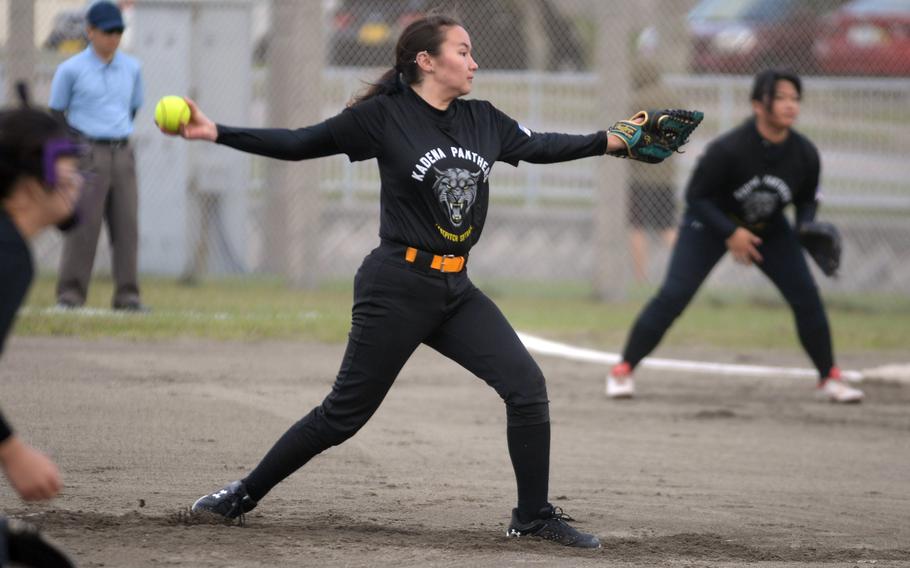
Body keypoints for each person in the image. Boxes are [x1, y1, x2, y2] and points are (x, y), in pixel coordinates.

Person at [168, 15, 675, 548]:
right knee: (343, 416)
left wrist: (612, 141)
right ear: (425, 61)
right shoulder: (384, 118)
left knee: (526, 388)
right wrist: (216, 132)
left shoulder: (483, 119)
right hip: (396, 286)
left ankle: (532, 516)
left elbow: (544, 145)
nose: (474, 61)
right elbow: (300, 142)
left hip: (456, 290)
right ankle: (241, 495)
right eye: (462, 51)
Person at [605, 69, 864, 404]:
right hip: (709, 226)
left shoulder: (804, 154)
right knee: (674, 296)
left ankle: (830, 376)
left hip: (768, 229)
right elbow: (696, 197)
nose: (790, 105)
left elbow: (806, 199)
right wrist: (731, 233)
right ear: (759, 104)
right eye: (781, 98)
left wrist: (806, 226)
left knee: (806, 297)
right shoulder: (728, 150)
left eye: (795, 98)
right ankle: (623, 369)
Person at [0, 91, 84, 568]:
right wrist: (13, 452)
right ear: (28, 181)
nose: (74, 175)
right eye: (60, 161)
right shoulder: (7, 254)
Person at [49, 0, 147, 312]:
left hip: (122, 152)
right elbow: (57, 112)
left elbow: (133, 107)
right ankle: (71, 295)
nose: (114, 38)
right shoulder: (70, 69)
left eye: (119, 31)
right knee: (84, 227)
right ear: (90, 32)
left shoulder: (133, 68)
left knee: (126, 225)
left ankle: (128, 296)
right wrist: (76, 147)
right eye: (107, 31)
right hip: (88, 151)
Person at [627, 62, 678, 282]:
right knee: (667, 226)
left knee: (637, 226)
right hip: (665, 175)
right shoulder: (674, 99)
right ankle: (683, 272)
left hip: (639, 175)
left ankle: (640, 276)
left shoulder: (637, 101)